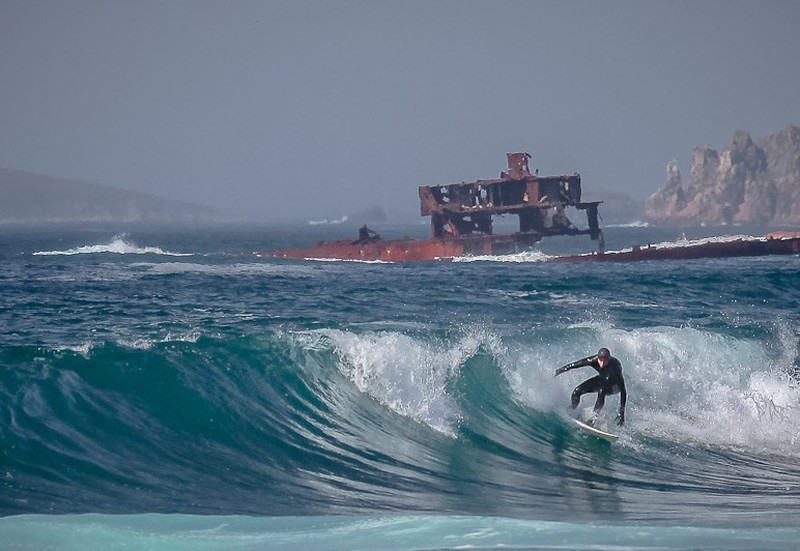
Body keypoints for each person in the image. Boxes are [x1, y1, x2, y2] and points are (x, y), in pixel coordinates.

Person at [554, 347, 626, 426]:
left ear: (608, 359)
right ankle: (572, 409)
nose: (601, 363)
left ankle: (593, 419)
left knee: (601, 392)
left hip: (615, 386)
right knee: (576, 392)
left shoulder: (615, 365)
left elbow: (623, 390)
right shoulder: (593, 360)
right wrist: (560, 370)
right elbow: (576, 364)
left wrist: (621, 412)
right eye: (600, 360)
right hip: (602, 379)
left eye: (604, 360)